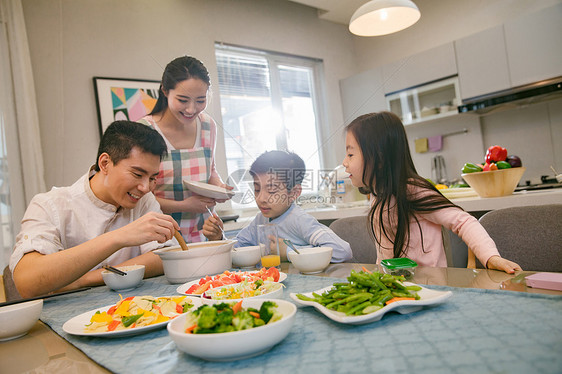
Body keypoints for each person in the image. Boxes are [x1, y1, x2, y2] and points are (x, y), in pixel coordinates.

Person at [10, 121, 180, 298]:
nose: (146, 187)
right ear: (105, 163)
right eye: (137, 174)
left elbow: (163, 257)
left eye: (153, 178)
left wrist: (84, 280)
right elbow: (27, 282)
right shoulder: (49, 205)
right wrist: (118, 237)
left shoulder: (143, 200)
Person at [342, 111, 522, 273]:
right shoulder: (378, 196)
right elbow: (387, 256)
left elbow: (463, 221)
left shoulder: (411, 190)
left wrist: (491, 257)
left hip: (432, 290)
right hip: (401, 290)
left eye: (350, 155)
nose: (344, 162)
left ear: (379, 158)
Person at [138, 56, 231, 243]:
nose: (191, 109)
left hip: (204, 234)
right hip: (160, 237)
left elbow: (210, 169)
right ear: (165, 90)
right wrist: (184, 206)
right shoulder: (144, 131)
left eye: (200, 100)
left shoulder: (208, 125)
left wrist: (220, 188)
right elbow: (139, 197)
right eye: (183, 100)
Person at [203, 151, 353, 263]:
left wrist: (289, 251)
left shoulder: (299, 220)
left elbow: (343, 251)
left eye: (272, 190)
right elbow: (236, 249)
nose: (261, 198)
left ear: (294, 192)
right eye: (256, 189)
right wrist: (219, 238)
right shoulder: (261, 219)